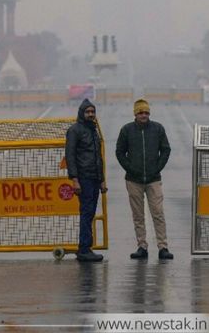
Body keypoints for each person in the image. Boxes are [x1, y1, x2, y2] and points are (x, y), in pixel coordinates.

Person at [115, 99, 173, 260]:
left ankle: (163, 247)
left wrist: (157, 168)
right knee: (138, 215)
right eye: (140, 112)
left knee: (158, 213)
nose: (143, 115)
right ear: (135, 114)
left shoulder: (158, 128)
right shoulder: (126, 130)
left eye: (146, 112)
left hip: (154, 179)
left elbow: (166, 149)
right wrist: (130, 168)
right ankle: (142, 246)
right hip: (133, 180)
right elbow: (119, 152)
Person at [65, 98, 107, 262]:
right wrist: (75, 179)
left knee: (89, 213)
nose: (90, 114)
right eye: (87, 112)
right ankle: (84, 249)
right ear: (82, 113)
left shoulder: (93, 130)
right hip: (84, 179)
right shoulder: (75, 130)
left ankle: (85, 247)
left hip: (94, 178)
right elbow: (70, 156)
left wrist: (102, 180)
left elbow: (98, 157)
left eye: (92, 112)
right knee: (86, 213)